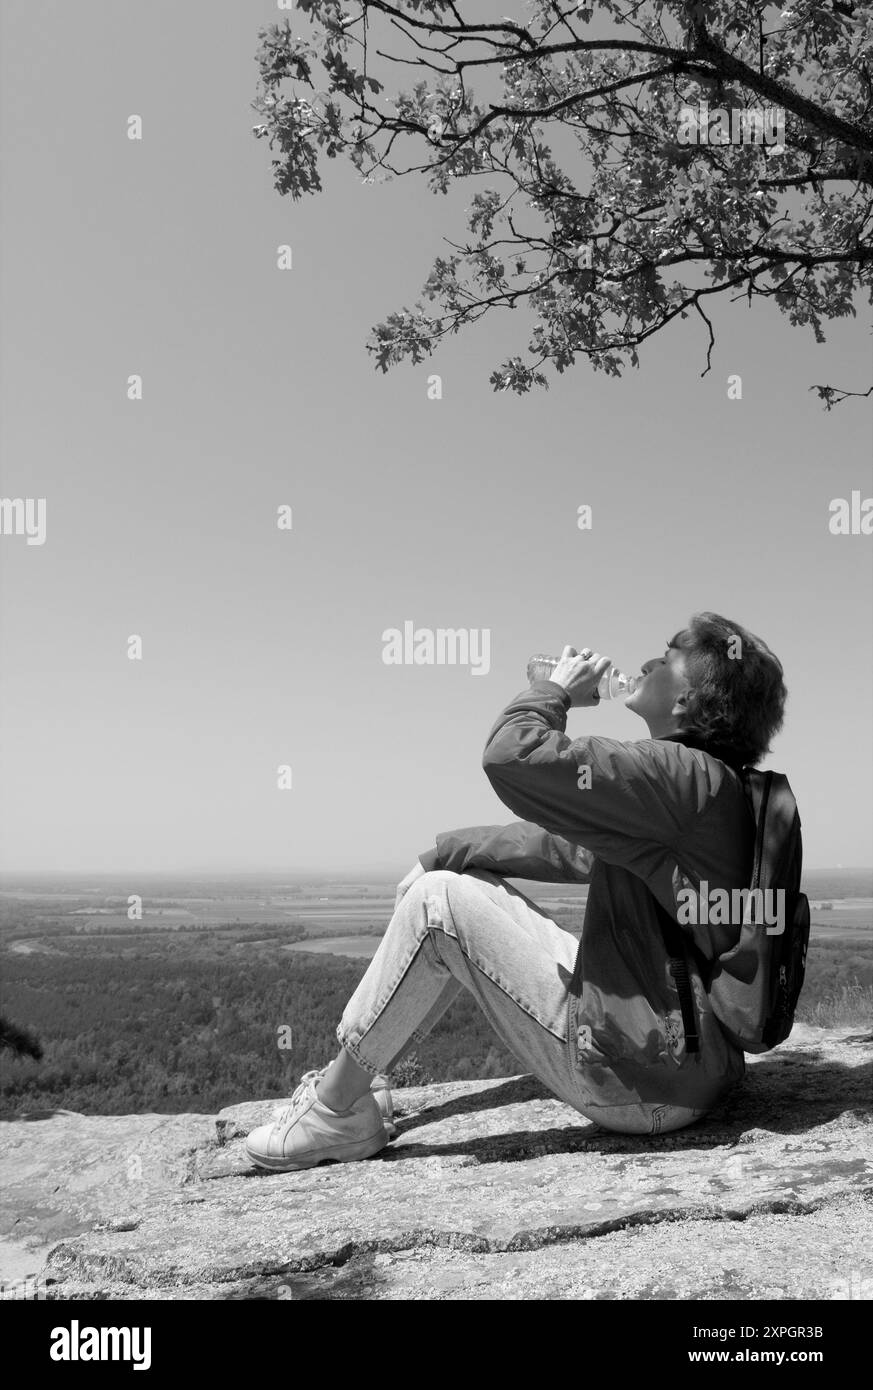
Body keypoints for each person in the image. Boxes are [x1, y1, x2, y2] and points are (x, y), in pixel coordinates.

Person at [246, 611, 788, 1171]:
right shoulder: (713, 784)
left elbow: (512, 755)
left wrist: (552, 693)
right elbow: (572, 848)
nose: (648, 661)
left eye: (668, 654)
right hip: (686, 1061)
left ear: (686, 702)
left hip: (641, 1080)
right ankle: (366, 1078)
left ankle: (337, 1111)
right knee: (461, 884)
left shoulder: (676, 773)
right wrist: (451, 849)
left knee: (438, 905)